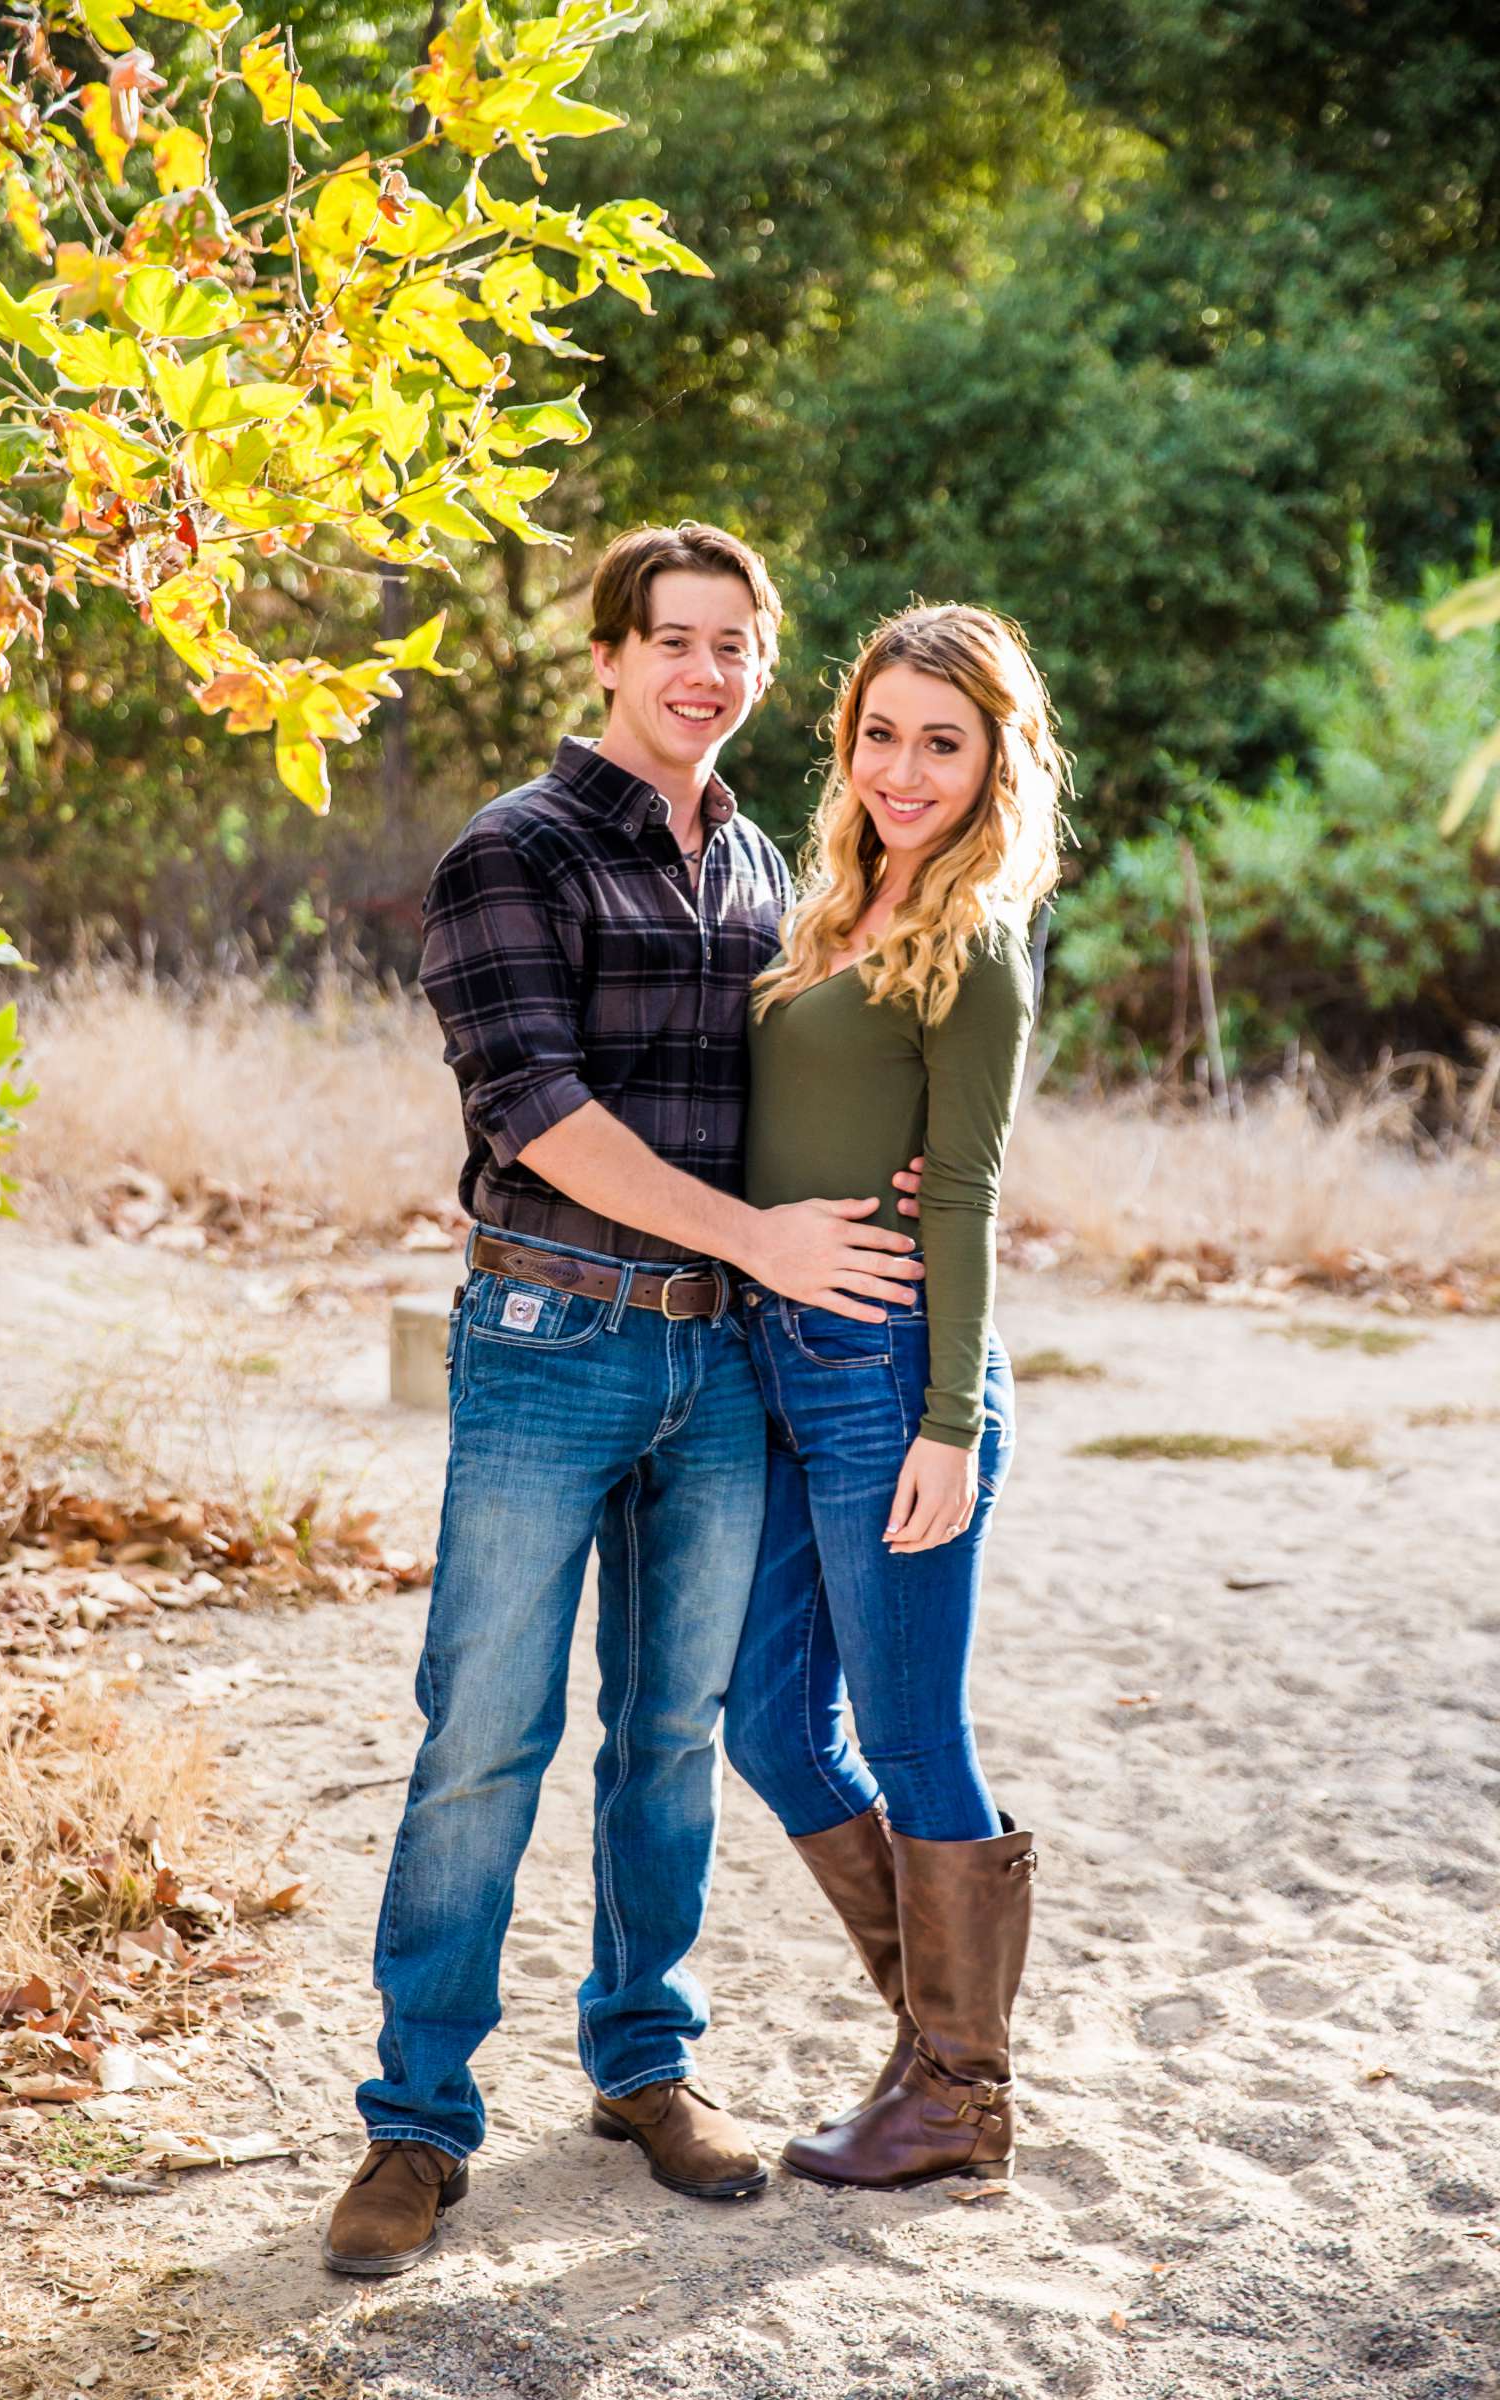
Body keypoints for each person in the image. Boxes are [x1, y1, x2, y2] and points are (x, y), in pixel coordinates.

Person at [324, 524, 928, 2277]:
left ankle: (644, 2065)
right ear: (606, 656)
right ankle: (417, 2123)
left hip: (726, 1361)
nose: (707, 673)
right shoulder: (507, 852)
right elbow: (539, 1108)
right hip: (545, 1339)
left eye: (738, 644)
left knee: (669, 1737)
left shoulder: (766, 864)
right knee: (485, 1735)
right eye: (675, 639)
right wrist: (759, 1233)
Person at [723, 602, 1068, 2190]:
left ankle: (958, 2098)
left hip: (890, 1373)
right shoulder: (834, 907)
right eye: (881, 734)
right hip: (783, 1360)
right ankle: (940, 2057)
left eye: (944, 740)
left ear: (996, 756)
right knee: (771, 1725)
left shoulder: (974, 932)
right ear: (846, 741)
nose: (906, 768)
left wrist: (951, 1424)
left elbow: (966, 1197)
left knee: (909, 1732)